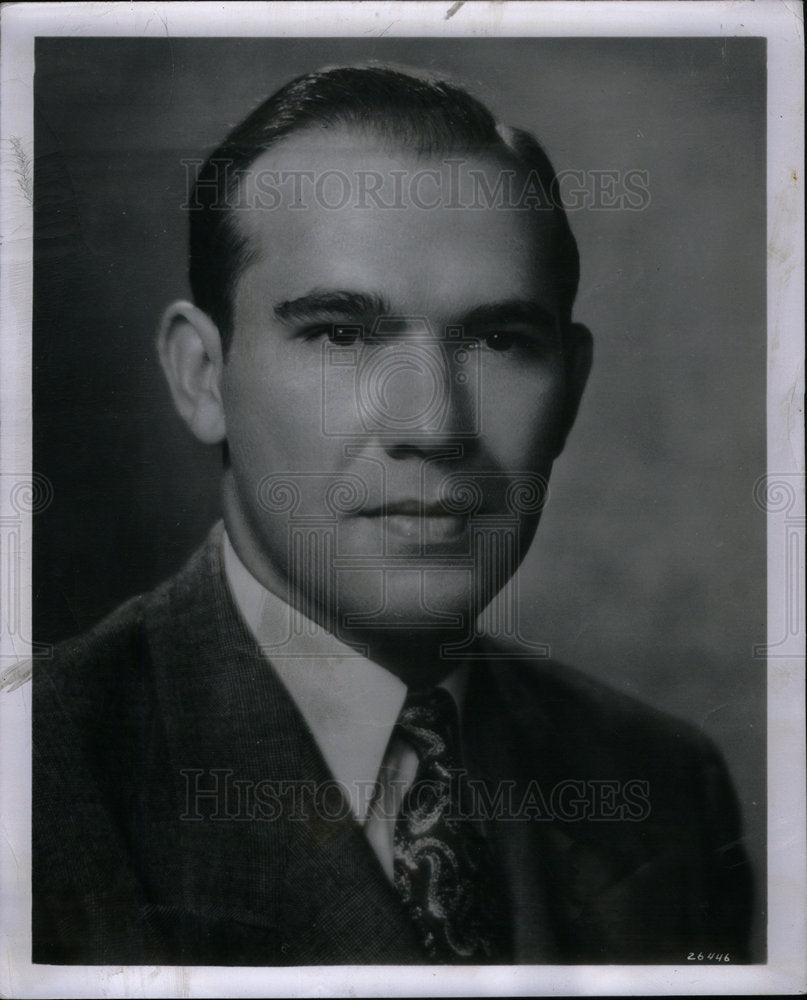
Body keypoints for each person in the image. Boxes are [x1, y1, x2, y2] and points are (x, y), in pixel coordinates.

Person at [33, 65, 753, 966]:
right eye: (341, 333)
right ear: (202, 377)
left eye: (498, 341)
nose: (434, 427)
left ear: (570, 390)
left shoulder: (663, 783)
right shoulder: (33, 781)